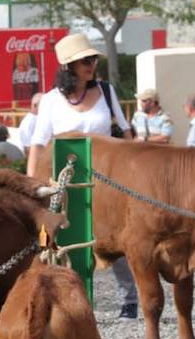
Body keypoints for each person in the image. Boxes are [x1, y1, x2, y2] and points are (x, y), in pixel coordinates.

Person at [25, 34, 137, 319]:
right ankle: (63, 297)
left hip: (108, 177)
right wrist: (31, 182)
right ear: (68, 66)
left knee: (115, 236)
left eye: (93, 59)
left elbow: (125, 134)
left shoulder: (107, 92)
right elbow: (39, 142)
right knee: (59, 238)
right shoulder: (50, 100)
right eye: (84, 60)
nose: (91, 64)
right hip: (63, 181)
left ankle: (130, 299)